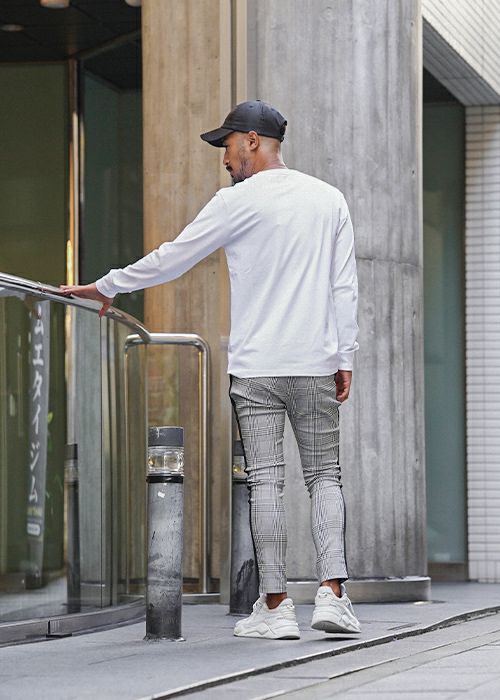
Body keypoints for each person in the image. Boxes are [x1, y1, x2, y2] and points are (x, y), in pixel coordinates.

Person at [60, 99, 360, 641]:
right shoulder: (329, 199)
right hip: (315, 362)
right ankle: (333, 596)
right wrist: (345, 357)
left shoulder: (235, 202)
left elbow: (173, 256)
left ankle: (276, 607)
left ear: (252, 141)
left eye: (227, 145)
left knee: (266, 481)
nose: (223, 158)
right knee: (325, 477)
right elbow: (344, 286)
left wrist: (107, 287)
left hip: (257, 367)